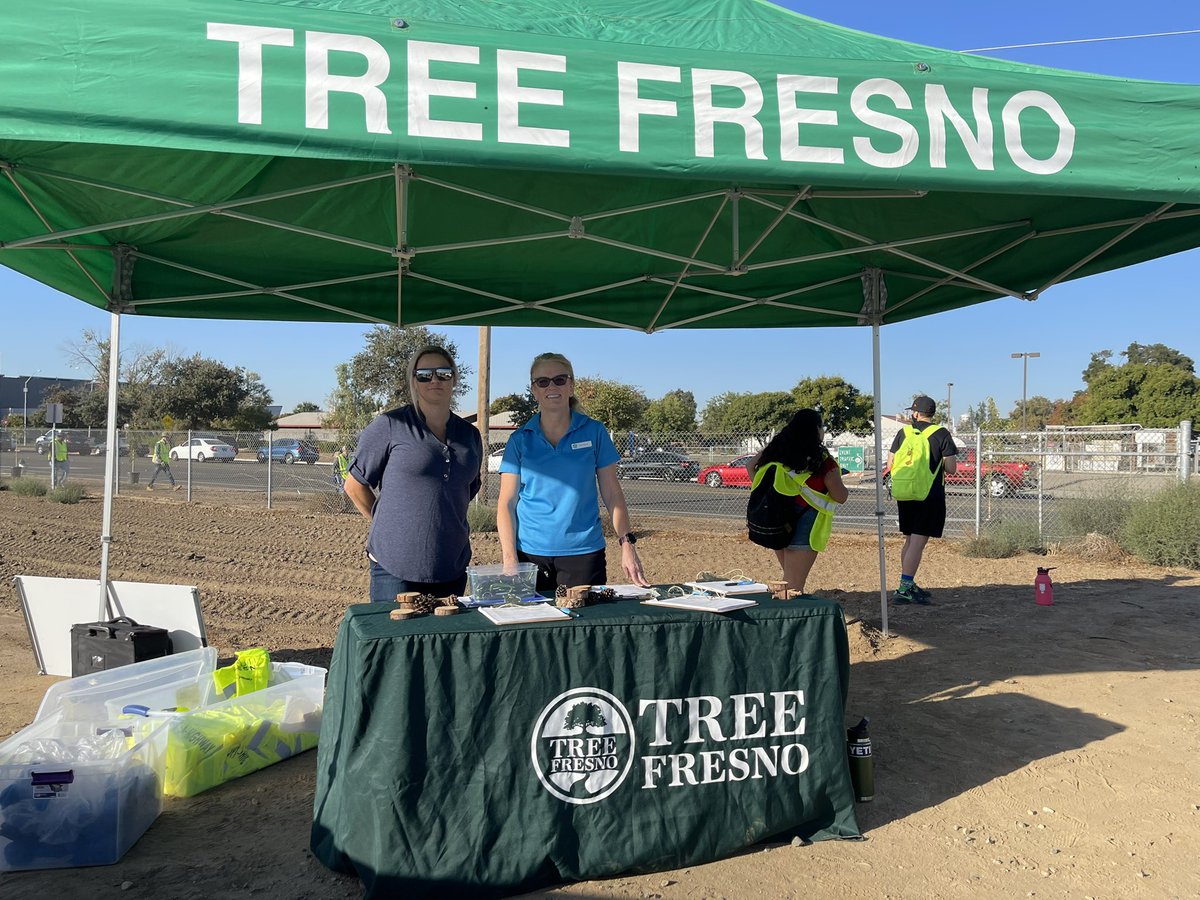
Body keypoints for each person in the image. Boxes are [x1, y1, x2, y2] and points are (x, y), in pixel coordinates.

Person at [497, 352, 649, 593]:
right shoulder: (519, 440)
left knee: (582, 627)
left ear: (571, 385)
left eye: (559, 379)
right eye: (542, 382)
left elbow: (612, 493)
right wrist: (509, 560)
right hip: (529, 555)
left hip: (584, 554)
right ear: (534, 390)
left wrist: (627, 544)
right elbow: (506, 502)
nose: (551, 387)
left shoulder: (594, 432)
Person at [343, 346, 483, 601]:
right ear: (413, 381)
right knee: (395, 639)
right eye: (424, 375)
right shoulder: (390, 425)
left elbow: (466, 488)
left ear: (454, 378)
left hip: (451, 564)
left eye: (443, 373)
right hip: (394, 567)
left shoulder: (470, 435)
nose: (434, 380)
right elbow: (354, 485)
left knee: (442, 639)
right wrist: (387, 525)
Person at [747, 409, 848, 595]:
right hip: (804, 529)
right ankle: (784, 621)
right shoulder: (823, 462)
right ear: (817, 430)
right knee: (792, 588)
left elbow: (750, 466)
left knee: (788, 580)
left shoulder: (776, 452)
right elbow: (841, 496)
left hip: (776, 523)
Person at [887, 395, 958, 604]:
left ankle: (907, 582)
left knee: (910, 539)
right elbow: (951, 468)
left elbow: (891, 462)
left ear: (915, 413)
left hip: (905, 491)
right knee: (918, 541)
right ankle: (905, 586)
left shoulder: (904, 432)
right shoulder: (941, 434)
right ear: (932, 413)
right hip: (929, 493)